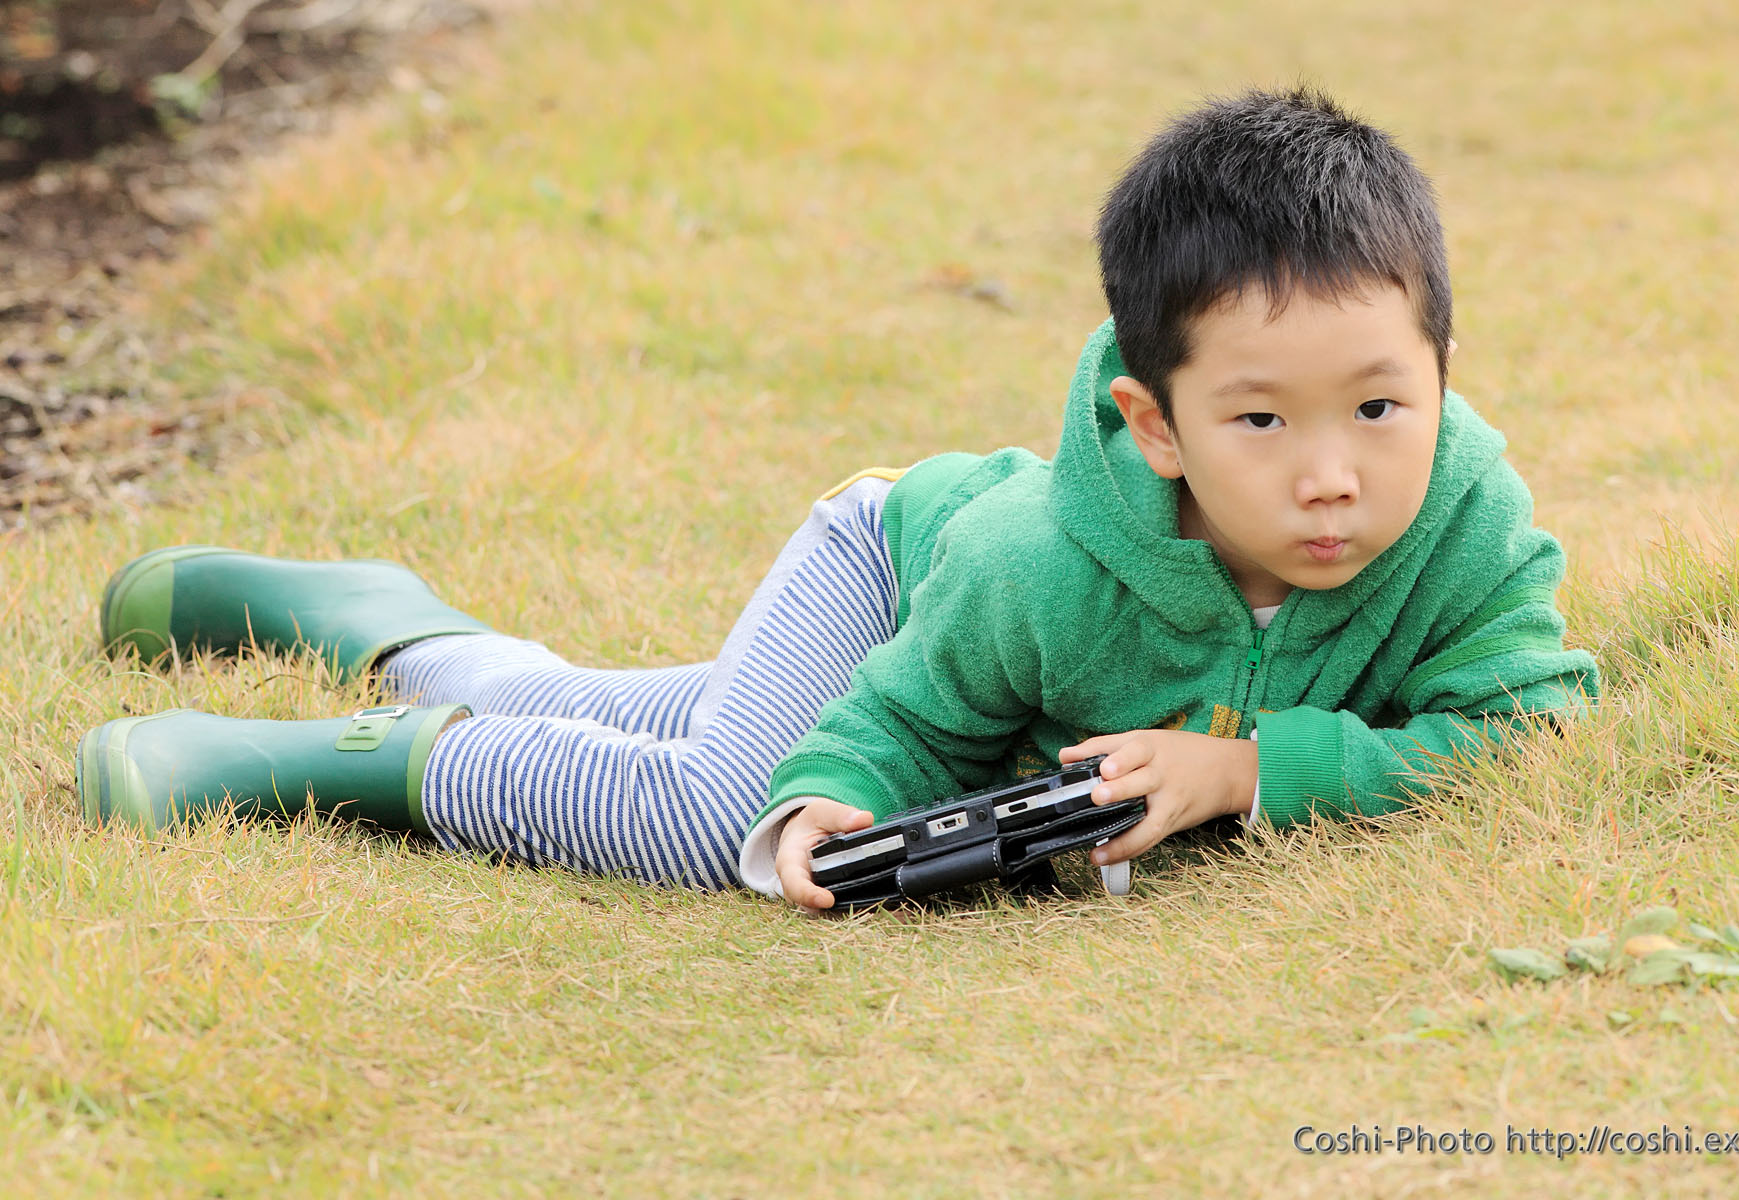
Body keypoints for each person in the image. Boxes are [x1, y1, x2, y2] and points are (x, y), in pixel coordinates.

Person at [77, 87, 1599, 911]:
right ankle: (346, 761)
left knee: (655, 715)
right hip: (888, 567)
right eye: (1261, 419)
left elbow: (1527, 727)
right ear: (1157, 426)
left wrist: (1254, 772)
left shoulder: (1465, 522)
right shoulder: (1032, 565)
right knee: (718, 807)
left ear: (1445, 375)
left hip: (962, 637)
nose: (1334, 474)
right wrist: (832, 793)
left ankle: (381, 619)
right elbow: (911, 716)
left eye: (1383, 407)